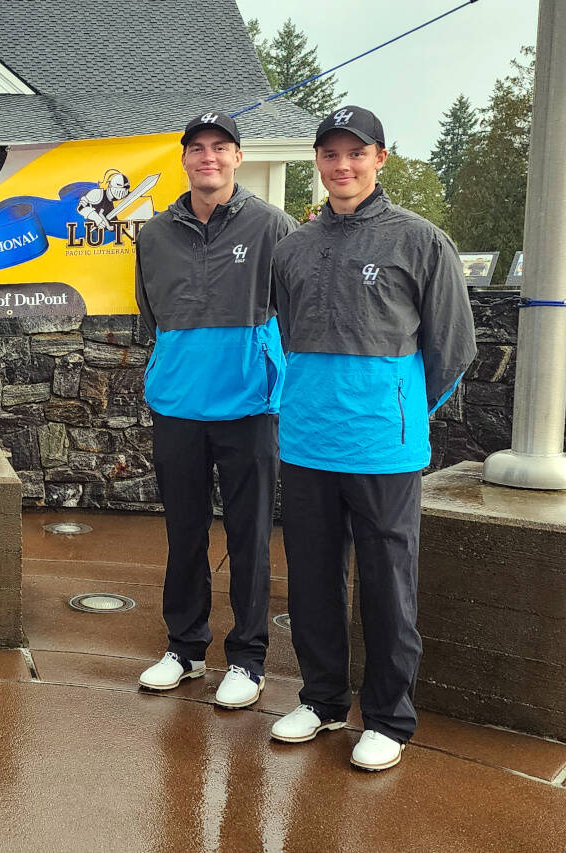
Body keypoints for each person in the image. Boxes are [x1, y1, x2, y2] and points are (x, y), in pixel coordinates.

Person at [269, 106, 476, 771]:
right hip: (306, 445)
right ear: (318, 162)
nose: (343, 166)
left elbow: (452, 348)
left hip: (383, 449)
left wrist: (400, 412)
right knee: (311, 582)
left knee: (388, 587)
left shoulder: (421, 241)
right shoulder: (293, 246)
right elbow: (284, 333)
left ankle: (388, 716)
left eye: (356, 154)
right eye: (330, 155)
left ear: (380, 158)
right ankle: (324, 698)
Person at [135, 110, 295, 708]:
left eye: (220, 147)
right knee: (184, 531)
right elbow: (151, 316)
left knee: (250, 535)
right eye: (197, 148)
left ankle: (249, 660)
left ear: (236, 156)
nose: (209, 157)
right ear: (183, 160)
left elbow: (294, 311)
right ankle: (185, 648)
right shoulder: (152, 235)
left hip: (250, 405)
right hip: (177, 405)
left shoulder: (272, 226)